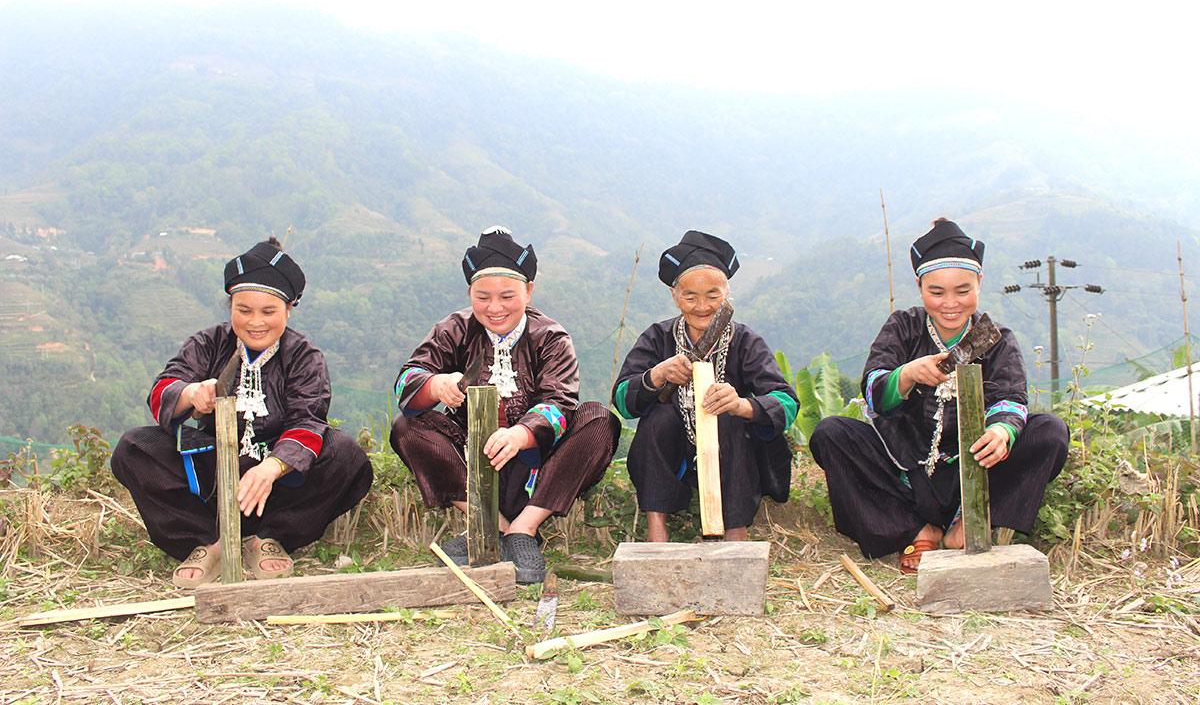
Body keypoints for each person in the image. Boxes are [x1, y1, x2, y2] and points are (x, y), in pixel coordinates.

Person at [809, 219, 1069, 572]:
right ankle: (916, 529)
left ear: (980, 284)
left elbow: (1011, 397)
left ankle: (971, 522)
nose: (950, 304)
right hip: (906, 470)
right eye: (937, 292)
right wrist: (907, 374)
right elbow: (873, 391)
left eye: (963, 291)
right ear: (920, 287)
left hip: (977, 468)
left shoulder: (997, 338)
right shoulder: (903, 327)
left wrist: (1001, 432)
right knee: (831, 435)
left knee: (1050, 432)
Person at [111, 238, 373, 587]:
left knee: (346, 456)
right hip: (214, 470)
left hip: (276, 480)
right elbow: (163, 389)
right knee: (134, 447)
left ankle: (268, 537)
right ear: (230, 306)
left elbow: (308, 420)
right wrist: (191, 394)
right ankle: (208, 542)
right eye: (244, 310)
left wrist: (271, 468)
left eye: (269, 312)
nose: (255, 323)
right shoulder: (207, 343)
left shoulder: (304, 356)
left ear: (289, 309)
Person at [390, 227, 619, 583]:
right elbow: (407, 380)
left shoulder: (551, 337)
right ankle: (488, 526)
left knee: (598, 419)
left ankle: (523, 530)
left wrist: (521, 434)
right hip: (472, 460)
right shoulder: (453, 329)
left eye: (507, 296)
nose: (494, 308)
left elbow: (560, 402)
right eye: (483, 297)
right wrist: (436, 384)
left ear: (528, 291)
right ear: (470, 294)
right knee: (407, 426)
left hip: (536, 464)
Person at [612, 230, 798, 541]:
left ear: (727, 293)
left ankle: (735, 531)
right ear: (675, 296)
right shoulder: (658, 338)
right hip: (679, 458)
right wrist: (656, 376)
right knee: (658, 418)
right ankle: (656, 527)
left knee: (726, 415)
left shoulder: (746, 341)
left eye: (713, 295)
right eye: (690, 296)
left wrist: (743, 405)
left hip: (736, 457)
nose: (702, 306)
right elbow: (622, 400)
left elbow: (787, 402)